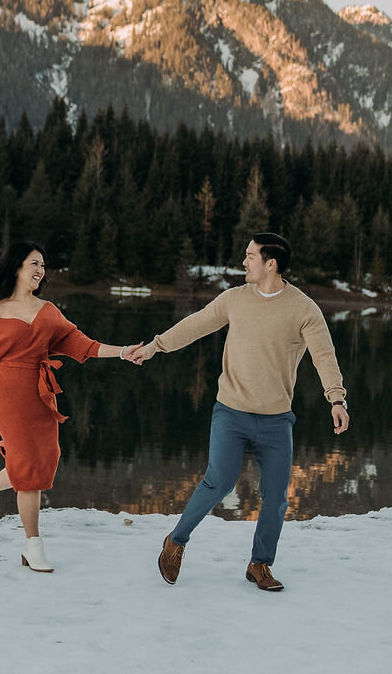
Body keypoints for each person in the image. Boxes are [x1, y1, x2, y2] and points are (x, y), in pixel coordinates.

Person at [126, 232, 349, 591]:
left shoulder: (304, 309)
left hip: (277, 421)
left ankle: (260, 565)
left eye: (250, 256)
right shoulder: (234, 299)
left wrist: (336, 400)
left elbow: (325, 355)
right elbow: (194, 326)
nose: (244, 262)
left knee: (276, 497)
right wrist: (155, 347)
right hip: (231, 412)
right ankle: (176, 541)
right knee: (220, 480)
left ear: (270, 263)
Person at [0, 240, 138, 572]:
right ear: (17, 267)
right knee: (30, 473)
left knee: (42, 460)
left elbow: (84, 345)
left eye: (43, 266)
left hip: (41, 394)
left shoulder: (49, 311)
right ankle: (33, 545)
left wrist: (122, 351)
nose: (40, 271)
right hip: (8, 394)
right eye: (34, 263)